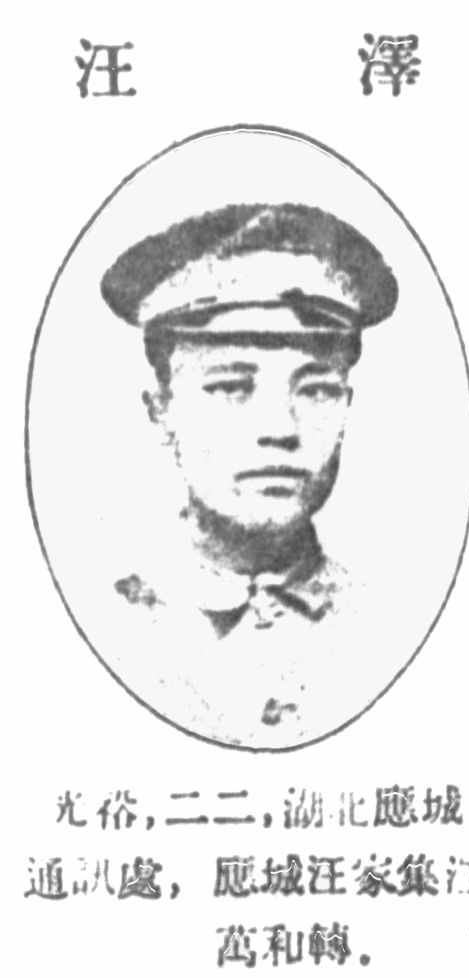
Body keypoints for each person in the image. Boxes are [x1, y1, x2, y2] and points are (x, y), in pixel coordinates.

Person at [99, 203, 398, 748]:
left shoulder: (392, 631)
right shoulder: (105, 628)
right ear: (160, 412)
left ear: (348, 406)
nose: (280, 429)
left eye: (316, 390)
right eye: (231, 388)